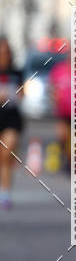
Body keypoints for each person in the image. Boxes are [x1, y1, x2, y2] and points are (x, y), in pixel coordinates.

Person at [0, 37, 24, 209]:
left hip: (11, 118)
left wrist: (17, 95)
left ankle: (5, 193)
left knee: (7, 154)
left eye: (6, 52)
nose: (4, 56)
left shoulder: (16, 73)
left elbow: (23, 92)